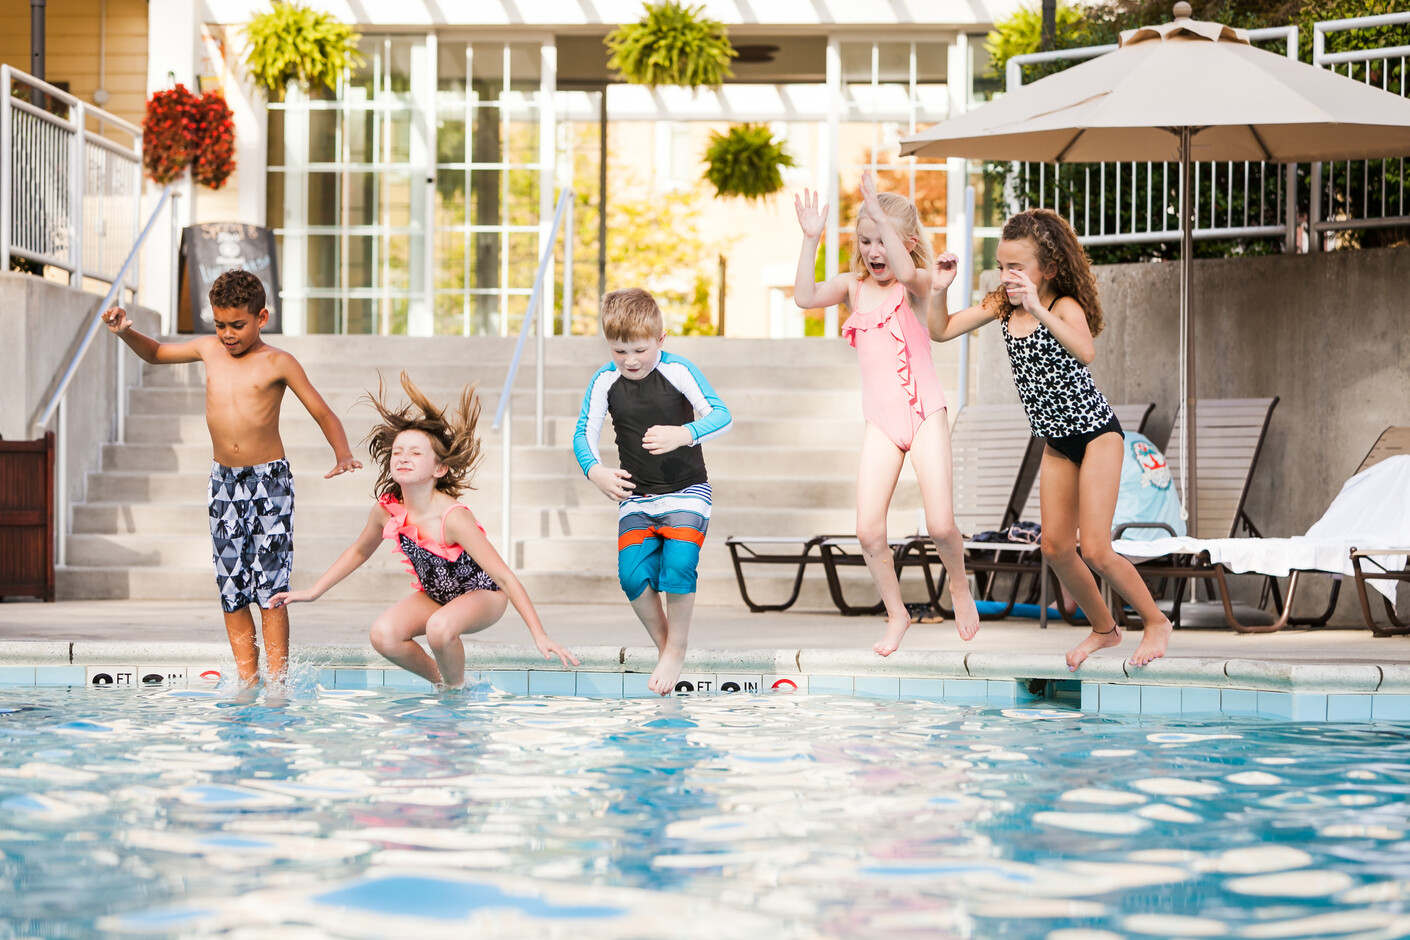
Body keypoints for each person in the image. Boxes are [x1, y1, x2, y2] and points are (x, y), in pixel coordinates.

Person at [927, 208, 1174, 670]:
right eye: (1002, 267)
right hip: (1058, 443)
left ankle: (1156, 621)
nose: (1007, 277)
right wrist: (939, 292)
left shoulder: (1061, 306)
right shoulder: (1002, 304)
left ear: (1050, 269)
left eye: (1017, 268)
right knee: (1056, 548)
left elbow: (1085, 350)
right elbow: (940, 331)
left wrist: (1038, 306)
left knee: (1096, 548)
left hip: (1097, 435)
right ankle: (1105, 629)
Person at [103, 270, 360, 687]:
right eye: (219, 324)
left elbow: (322, 411)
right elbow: (155, 354)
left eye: (236, 325)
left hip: (269, 483)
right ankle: (248, 679)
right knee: (231, 584)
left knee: (270, 585)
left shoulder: (279, 362)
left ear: (261, 317)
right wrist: (125, 332)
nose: (226, 334)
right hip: (224, 482)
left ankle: (277, 682)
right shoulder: (208, 349)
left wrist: (343, 453)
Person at [269, 373, 578, 687]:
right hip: (436, 596)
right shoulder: (387, 508)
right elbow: (360, 550)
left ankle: (456, 693)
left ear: (439, 468)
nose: (403, 457)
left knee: (439, 628)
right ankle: (443, 681)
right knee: (383, 634)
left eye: (416, 453)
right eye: (399, 451)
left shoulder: (453, 517)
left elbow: (504, 577)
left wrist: (539, 635)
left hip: (483, 595)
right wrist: (313, 591)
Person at [793, 171, 980, 655]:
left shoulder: (918, 284)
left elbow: (908, 268)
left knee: (940, 524)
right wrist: (811, 239)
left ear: (908, 243)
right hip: (881, 423)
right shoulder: (854, 288)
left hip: (925, 415)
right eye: (867, 240)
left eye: (885, 240)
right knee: (868, 529)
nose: (875, 250)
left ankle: (958, 585)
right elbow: (805, 297)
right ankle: (897, 613)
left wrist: (880, 214)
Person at [573, 288, 732, 695]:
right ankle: (667, 648)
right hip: (638, 497)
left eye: (640, 350)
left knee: (678, 563)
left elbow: (722, 415)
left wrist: (684, 433)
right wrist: (595, 472)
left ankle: (675, 650)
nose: (630, 361)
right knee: (632, 576)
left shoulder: (678, 371)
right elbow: (583, 434)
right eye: (619, 351)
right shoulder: (605, 380)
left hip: (686, 490)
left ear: (660, 341)